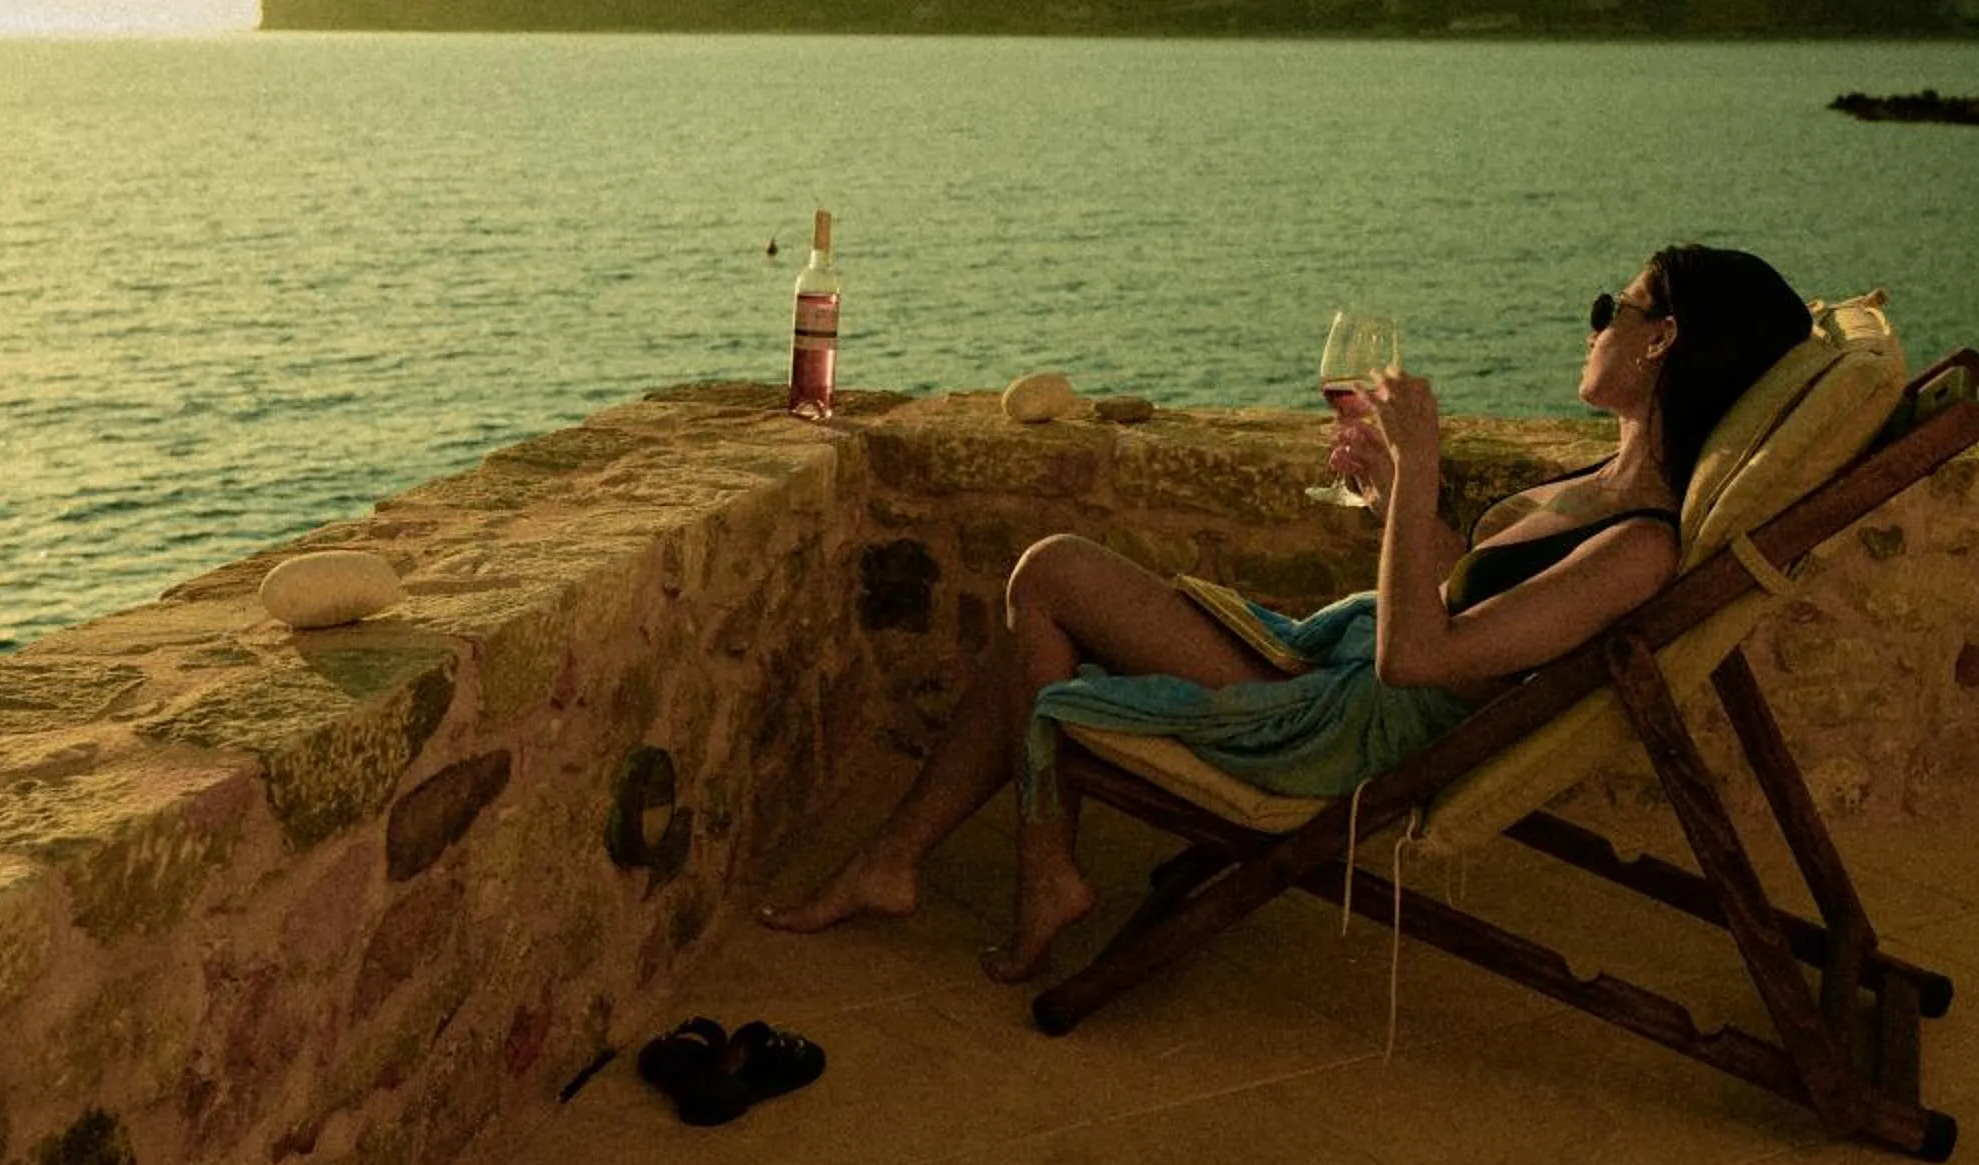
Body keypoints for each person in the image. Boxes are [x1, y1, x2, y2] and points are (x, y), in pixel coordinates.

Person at [761, 243, 1814, 979]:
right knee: (1035, 626)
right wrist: (1389, 490)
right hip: (1336, 671)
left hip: (1346, 725)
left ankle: (1013, 866)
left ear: (1664, 339)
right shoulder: (1602, 484)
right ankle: (935, 863)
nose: (1595, 326)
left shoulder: (1640, 546)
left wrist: (1420, 473)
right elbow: (1456, 585)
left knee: (1050, 571)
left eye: (1612, 309)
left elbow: (1419, 658)